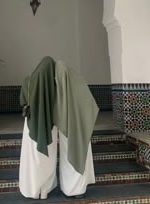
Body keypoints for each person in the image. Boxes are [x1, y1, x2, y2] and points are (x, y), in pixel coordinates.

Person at [54, 60, 99, 197]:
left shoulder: (74, 83)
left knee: (74, 156)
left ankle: (75, 189)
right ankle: (70, 188)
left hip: (78, 128)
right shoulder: (77, 82)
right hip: (76, 129)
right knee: (71, 156)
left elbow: (89, 104)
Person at [19, 56, 57, 199]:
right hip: (50, 127)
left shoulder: (27, 81)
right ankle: (45, 190)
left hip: (31, 127)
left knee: (32, 158)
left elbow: (22, 101)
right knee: (47, 158)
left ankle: (33, 190)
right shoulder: (55, 85)